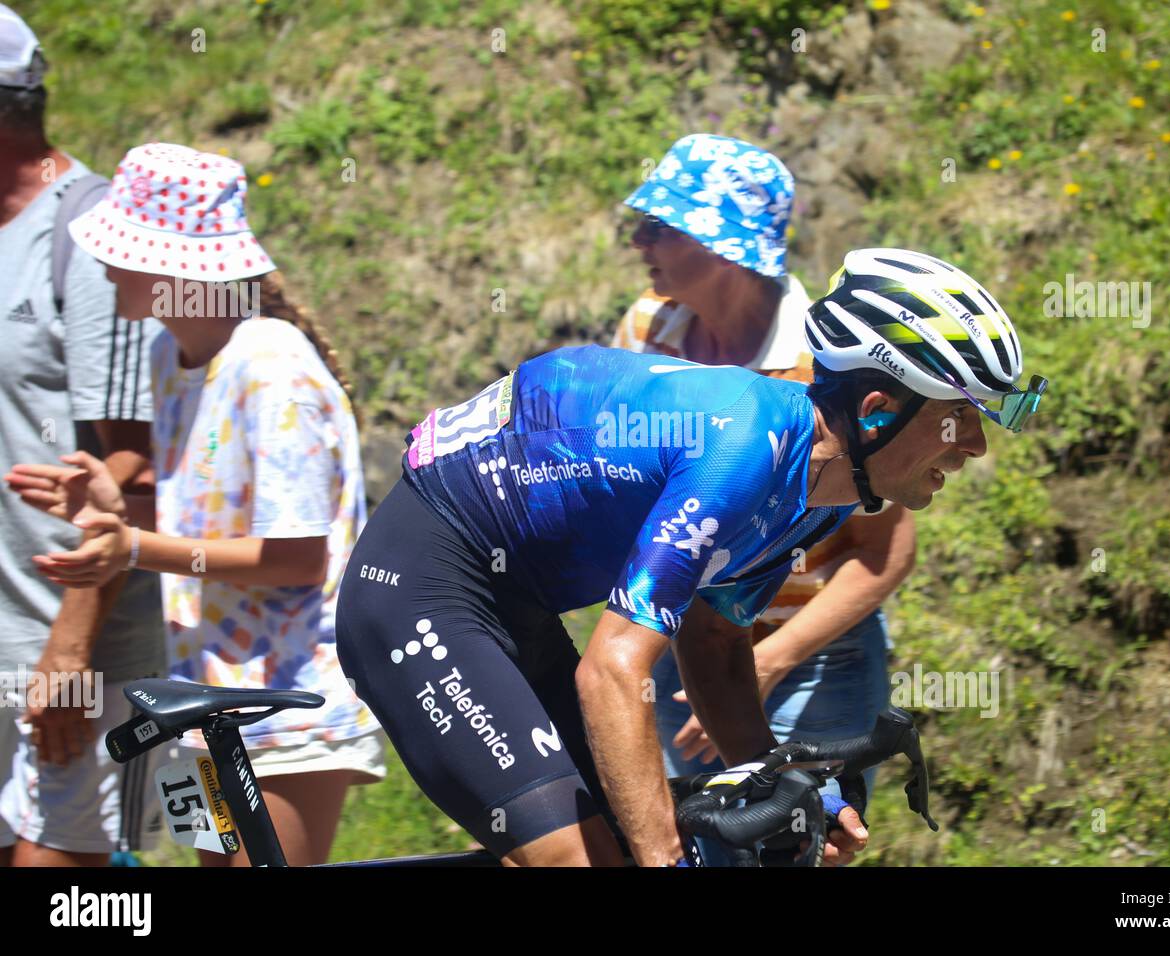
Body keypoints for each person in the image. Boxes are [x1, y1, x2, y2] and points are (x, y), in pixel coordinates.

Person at [331, 246, 1046, 866]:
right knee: (580, 857)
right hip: (417, 587)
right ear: (876, 411)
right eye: (960, 420)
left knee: (618, 829)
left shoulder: (819, 488)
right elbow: (613, 668)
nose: (976, 447)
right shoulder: (743, 452)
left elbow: (714, 644)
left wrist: (784, 790)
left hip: (511, 599)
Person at [6, 143, 385, 867]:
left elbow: (298, 559)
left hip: (284, 713)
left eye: (122, 248)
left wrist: (136, 547)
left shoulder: (269, 364)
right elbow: (208, 528)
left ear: (174, 268)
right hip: (197, 703)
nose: (105, 264)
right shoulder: (169, 357)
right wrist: (120, 507)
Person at [615, 133, 915, 818]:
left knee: (797, 839)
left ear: (721, 245)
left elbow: (885, 553)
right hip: (675, 637)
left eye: (660, 226)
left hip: (811, 659)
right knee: (688, 838)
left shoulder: (826, 367)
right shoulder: (647, 328)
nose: (638, 240)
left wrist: (768, 660)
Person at [0, 3, 166, 867]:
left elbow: (132, 468)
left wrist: (69, 650)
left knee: (73, 890)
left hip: (70, 650)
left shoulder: (89, 237)